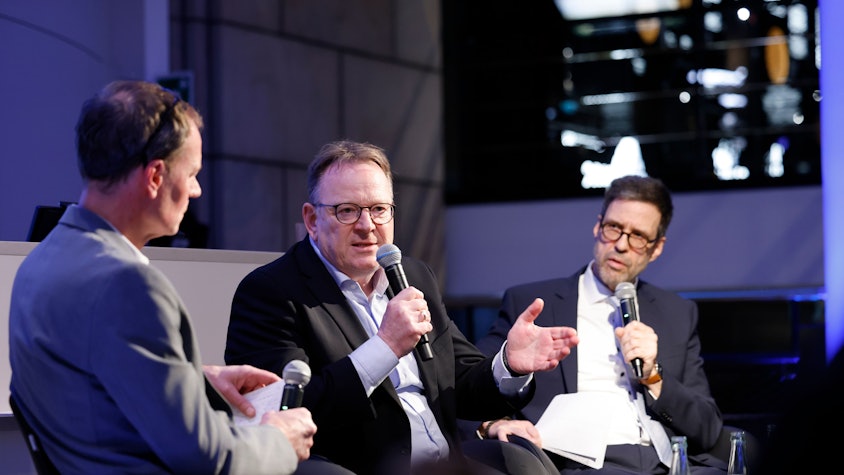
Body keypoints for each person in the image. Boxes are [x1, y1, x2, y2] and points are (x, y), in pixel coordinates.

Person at [7, 80, 348, 474]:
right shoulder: (129, 286)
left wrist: (193, 380)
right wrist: (280, 439)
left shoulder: (41, 262)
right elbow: (209, 459)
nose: (196, 190)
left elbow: (85, 384)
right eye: (192, 173)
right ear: (155, 176)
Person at [224, 140, 580, 475]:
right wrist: (386, 346)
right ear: (312, 220)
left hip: (446, 464)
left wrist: (509, 365)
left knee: (524, 462)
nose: (367, 226)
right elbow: (287, 413)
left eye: (379, 210)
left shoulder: (413, 275)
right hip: (359, 468)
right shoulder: (271, 292)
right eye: (347, 211)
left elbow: (459, 386)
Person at [471, 175, 728, 474]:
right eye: (614, 228)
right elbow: (468, 384)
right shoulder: (535, 304)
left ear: (656, 248)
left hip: (668, 462)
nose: (621, 245)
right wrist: (493, 423)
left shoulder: (677, 313)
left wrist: (653, 376)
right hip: (582, 463)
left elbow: (708, 428)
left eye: (638, 236)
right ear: (598, 226)